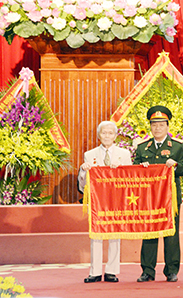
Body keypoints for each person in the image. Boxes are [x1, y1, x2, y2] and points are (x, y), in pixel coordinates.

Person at [134, 105, 183, 283]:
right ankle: (147, 271)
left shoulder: (178, 147)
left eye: (161, 124)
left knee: (171, 233)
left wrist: (176, 166)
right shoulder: (142, 148)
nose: (157, 128)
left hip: (170, 197)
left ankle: (171, 270)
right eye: (154, 124)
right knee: (149, 232)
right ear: (150, 126)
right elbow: (133, 172)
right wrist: (142, 169)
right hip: (148, 197)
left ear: (167, 126)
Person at [78, 121, 132, 283]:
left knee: (115, 234)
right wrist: (83, 171)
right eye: (104, 133)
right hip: (98, 200)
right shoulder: (90, 154)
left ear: (115, 136)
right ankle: (94, 272)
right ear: (98, 135)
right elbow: (84, 185)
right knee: (96, 235)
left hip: (117, 200)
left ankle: (111, 271)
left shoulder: (124, 154)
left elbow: (131, 179)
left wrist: (122, 168)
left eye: (110, 133)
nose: (107, 136)